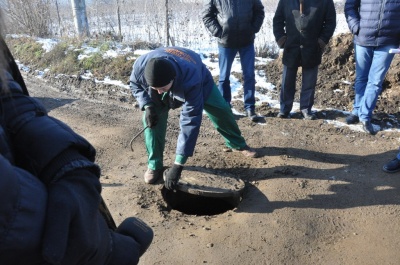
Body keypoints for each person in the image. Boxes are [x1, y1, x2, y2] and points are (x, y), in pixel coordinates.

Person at [0, 28, 153, 265]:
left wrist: (64, 160)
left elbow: (8, 98)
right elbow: (10, 215)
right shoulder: (141, 69)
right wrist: (104, 249)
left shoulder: (192, 76)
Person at [129, 46, 259, 189]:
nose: (159, 92)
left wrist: (178, 164)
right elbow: (135, 84)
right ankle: (154, 165)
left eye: (163, 88)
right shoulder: (141, 67)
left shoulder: (191, 77)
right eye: (155, 88)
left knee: (221, 110)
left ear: (173, 78)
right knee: (151, 122)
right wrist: (147, 105)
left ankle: (236, 143)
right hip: (163, 78)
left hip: (199, 78)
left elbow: (190, 120)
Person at [202, 0, 265, 122]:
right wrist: (219, 32)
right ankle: (224, 107)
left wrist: (253, 29)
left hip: (247, 42)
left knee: (249, 76)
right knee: (224, 77)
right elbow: (207, 15)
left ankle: (250, 108)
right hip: (226, 43)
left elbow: (259, 11)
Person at [272, 0, 336, 120]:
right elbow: (278, 20)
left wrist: (321, 41)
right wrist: (281, 40)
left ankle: (306, 109)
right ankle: (284, 109)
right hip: (291, 46)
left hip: (312, 47)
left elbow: (330, 22)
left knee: (309, 81)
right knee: (287, 81)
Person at [344, 0, 400, 135]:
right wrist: (356, 27)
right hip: (363, 38)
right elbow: (350, 6)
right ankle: (357, 110)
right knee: (361, 78)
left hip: (388, 41)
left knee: (375, 81)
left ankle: (365, 116)